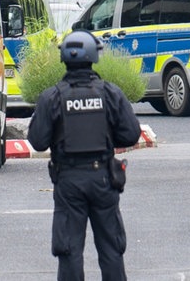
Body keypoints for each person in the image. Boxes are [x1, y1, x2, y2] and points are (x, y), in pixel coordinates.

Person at [27, 30, 142, 281]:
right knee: (111, 250)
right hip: (103, 178)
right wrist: (107, 138)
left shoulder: (52, 97)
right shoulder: (110, 93)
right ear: (94, 57)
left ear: (64, 59)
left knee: (69, 251)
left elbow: (37, 141)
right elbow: (131, 134)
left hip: (68, 181)